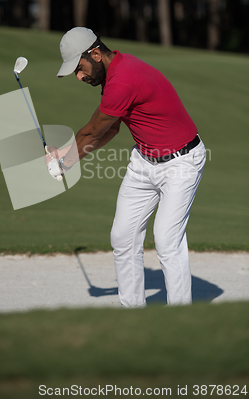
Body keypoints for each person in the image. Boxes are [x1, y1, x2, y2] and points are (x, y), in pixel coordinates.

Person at [46, 27, 206, 307]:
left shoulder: (123, 80)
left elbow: (93, 132)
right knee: (123, 236)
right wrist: (64, 159)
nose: (79, 76)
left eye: (79, 68)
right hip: (144, 161)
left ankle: (181, 317)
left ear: (95, 54)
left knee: (167, 241)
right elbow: (109, 131)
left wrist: (64, 161)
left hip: (181, 162)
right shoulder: (114, 73)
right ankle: (132, 313)